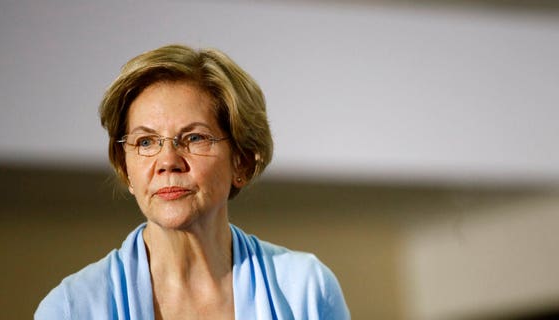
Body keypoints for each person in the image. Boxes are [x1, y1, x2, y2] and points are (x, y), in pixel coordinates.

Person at [35, 44, 350, 320]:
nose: (168, 161)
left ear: (241, 159)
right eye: (146, 142)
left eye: (195, 137)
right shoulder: (70, 308)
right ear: (125, 167)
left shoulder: (307, 290)